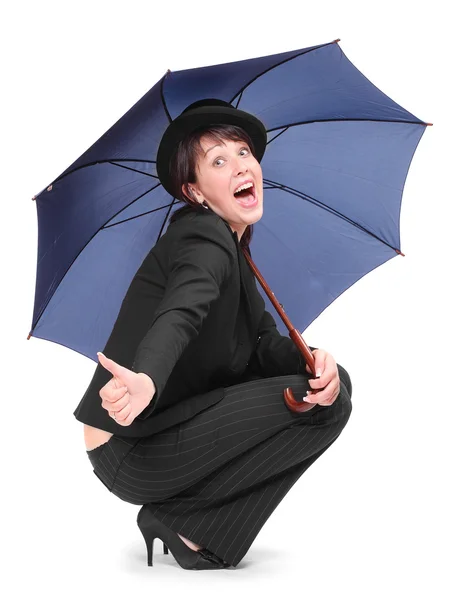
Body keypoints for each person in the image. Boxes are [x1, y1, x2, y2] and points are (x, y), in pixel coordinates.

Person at [73, 98, 353, 570]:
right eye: (217, 161)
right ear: (195, 191)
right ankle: (188, 522)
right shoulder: (204, 237)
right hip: (131, 447)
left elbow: (262, 344)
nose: (240, 165)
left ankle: (188, 524)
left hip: (159, 436)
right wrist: (148, 378)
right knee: (319, 402)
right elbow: (182, 311)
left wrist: (316, 359)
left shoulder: (235, 250)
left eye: (243, 152)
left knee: (332, 388)